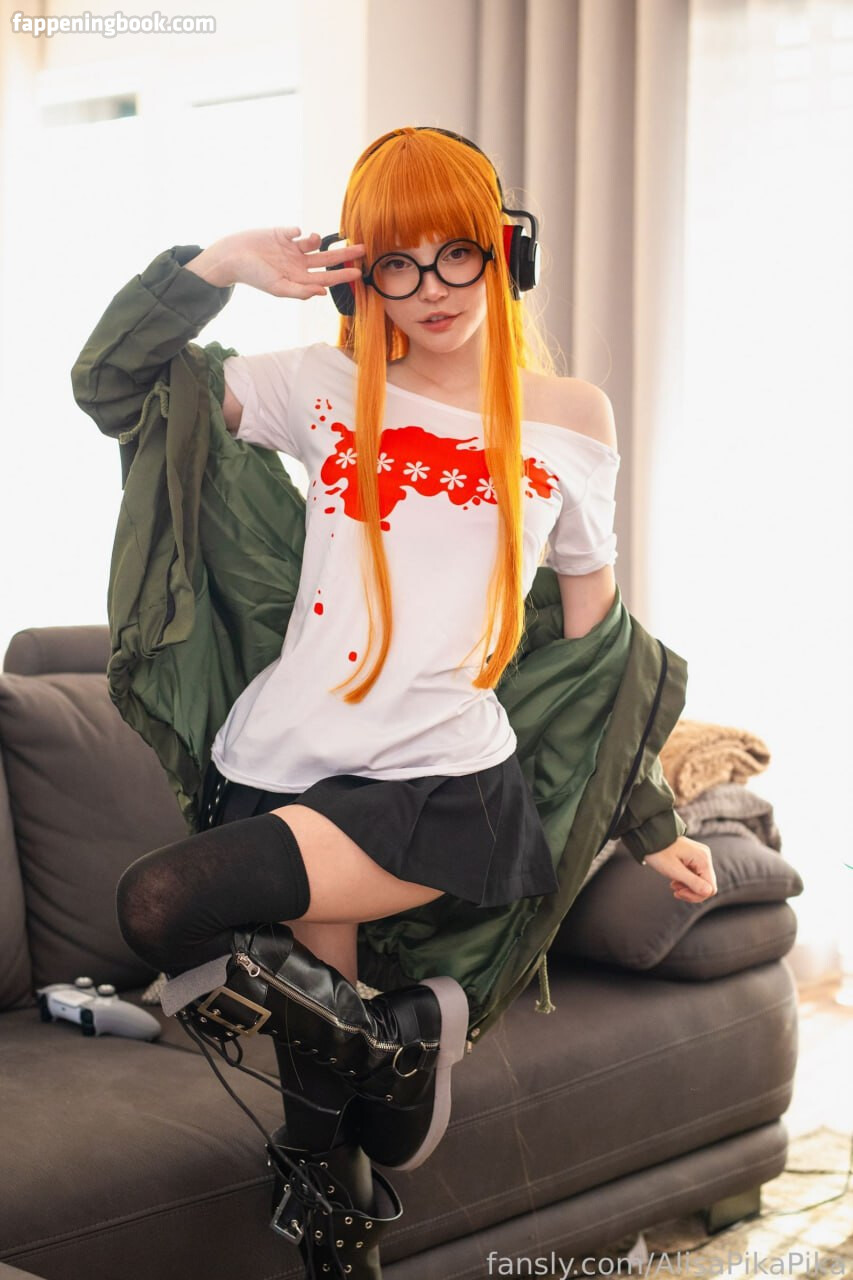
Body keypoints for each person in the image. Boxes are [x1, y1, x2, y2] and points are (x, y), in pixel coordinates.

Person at [85, 125, 715, 1280]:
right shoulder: (315, 386)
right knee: (322, 1126)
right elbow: (115, 384)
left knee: (163, 902)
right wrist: (217, 265)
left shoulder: (572, 417)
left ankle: (401, 1032)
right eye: (396, 262)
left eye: (455, 252)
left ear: (504, 250)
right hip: (284, 762)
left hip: (442, 789)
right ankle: (387, 1066)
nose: (430, 287)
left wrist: (650, 818)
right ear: (358, 277)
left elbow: (598, 646)